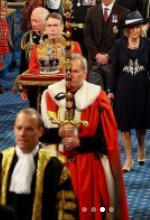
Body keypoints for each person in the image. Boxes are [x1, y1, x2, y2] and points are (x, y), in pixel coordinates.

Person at [41, 54, 129, 219]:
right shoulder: (50, 95)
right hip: (57, 165)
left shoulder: (97, 97)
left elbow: (105, 141)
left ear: (85, 73)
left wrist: (79, 142)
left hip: (88, 166)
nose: (71, 76)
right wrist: (58, 134)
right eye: (68, 72)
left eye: (75, 72)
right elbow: (40, 134)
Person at [0, 109, 76, 220]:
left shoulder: (54, 167)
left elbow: (66, 210)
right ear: (14, 130)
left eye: (29, 129)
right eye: (19, 128)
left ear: (40, 132)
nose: (22, 134)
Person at [109, 11, 150, 171]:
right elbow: (114, 69)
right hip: (122, 88)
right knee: (124, 124)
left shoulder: (148, 43)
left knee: (140, 123)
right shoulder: (119, 44)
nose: (134, 31)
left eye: (137, 27)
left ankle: (141, 147)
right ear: (127, 30)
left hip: (142, 87)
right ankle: (129, 158)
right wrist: (110, 89)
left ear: (141, 28)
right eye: (131, 28)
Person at [84, 0, 129, 92]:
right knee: (95, 95)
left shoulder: (123, 13)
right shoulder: (91, 12)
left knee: (113, 94)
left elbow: (122, 38)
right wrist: (97, 55)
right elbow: (87, 36)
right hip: (95, 61)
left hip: (113, 62)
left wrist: (108, 56)